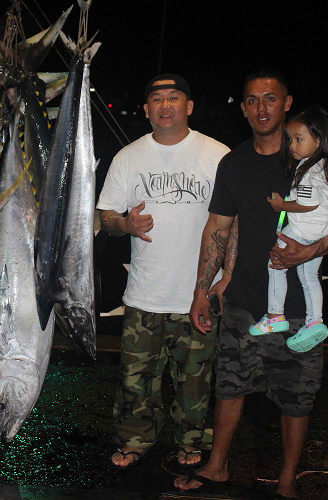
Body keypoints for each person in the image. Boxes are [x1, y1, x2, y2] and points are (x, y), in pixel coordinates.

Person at [175, 69, 328, 499]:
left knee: (296, 399)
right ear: (243, 108)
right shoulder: (234, 162)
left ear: (286, 104)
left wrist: (315, 249)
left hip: (299, 308)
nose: (261, 107)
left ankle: (286, 481)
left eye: (270, 99)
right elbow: (217, 227)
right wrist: (201, 291)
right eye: (253, 100)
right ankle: (218, 466)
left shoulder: (314, 158)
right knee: (229, 386)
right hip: (243, 300)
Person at [97, 74, 230, 469]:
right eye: (157, 99)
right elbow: (105, 217)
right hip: (145, 293)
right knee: (135, 380)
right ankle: (135, 439)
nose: (165, 105)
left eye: (174, 98)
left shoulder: (217, 154)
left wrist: (229, 274)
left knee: (195, 380)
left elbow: (234, 222)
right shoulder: (128, 157)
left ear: (189, 106)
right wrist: (126, 225)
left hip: (198, 292)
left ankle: (190, 441)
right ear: (147, 109)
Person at [250, 106, 328, 352]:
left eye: (299, 139)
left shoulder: (309, 171)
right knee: (309, 276)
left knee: (276, 262)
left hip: (304, 230)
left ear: (319, 140)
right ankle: (314, 322)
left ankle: (275, 315)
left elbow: (305, 205)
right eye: (290, 139)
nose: (292, 145)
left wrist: (281, 205)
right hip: (324, 230)